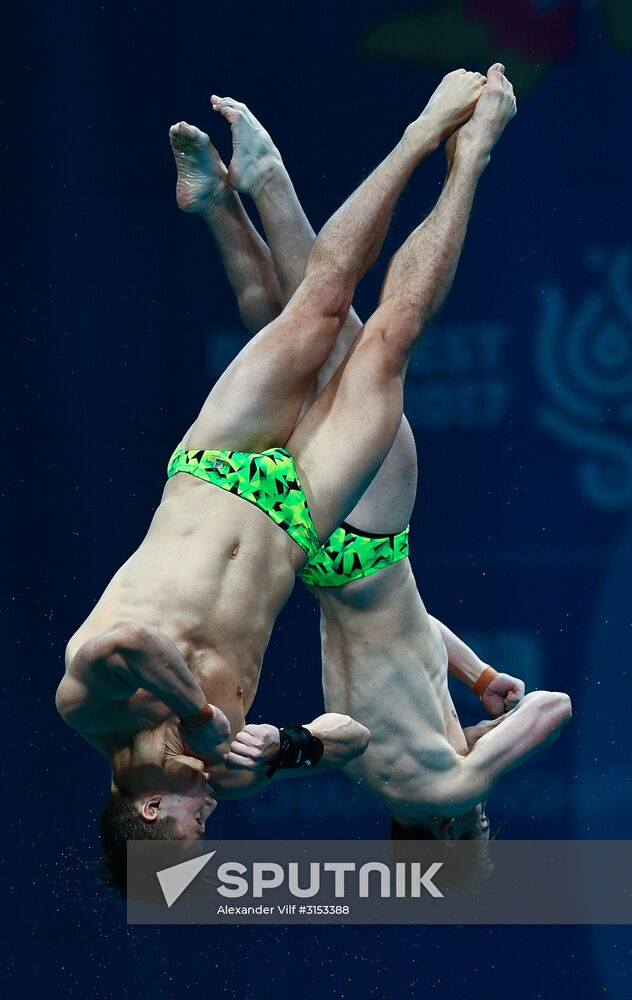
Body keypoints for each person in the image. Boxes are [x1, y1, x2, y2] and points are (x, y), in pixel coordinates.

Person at [57, 67, 499, 889]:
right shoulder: (222, 771)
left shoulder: (92, 710)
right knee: (389, 341)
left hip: (215, 473)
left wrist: (199, 717)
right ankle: (458, 154)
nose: (211, 821)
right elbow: (351, 740)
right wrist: (287, 750)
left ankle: (420, 132)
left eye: (194, 833)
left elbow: (126, 642)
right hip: (298, 520)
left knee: (321, 304)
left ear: (149, 814)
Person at [202, 73, 571, 842]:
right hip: (317, 553)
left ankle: (457, 158)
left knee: (361, 339)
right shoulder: (377, 771)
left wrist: (488, 740)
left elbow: (553, 708)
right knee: (289, 336)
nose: (481, 823)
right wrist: (476, 678)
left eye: (476, 833)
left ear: (440, 832)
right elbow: (407, 633)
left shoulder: (447, 786)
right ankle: (220, 203)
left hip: (369, 542)